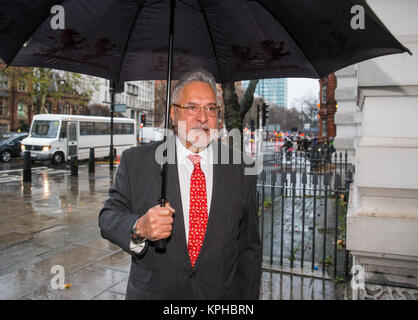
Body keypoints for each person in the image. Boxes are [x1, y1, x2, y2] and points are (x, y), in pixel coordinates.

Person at [99, 68, 262, 300]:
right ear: (173, 115)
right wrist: (139, 228)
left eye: (211, 108)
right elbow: (107, 217)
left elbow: (249, 252)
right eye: (192, 107)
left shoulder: (242, 169)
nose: (203, 117)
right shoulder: (136, 162)